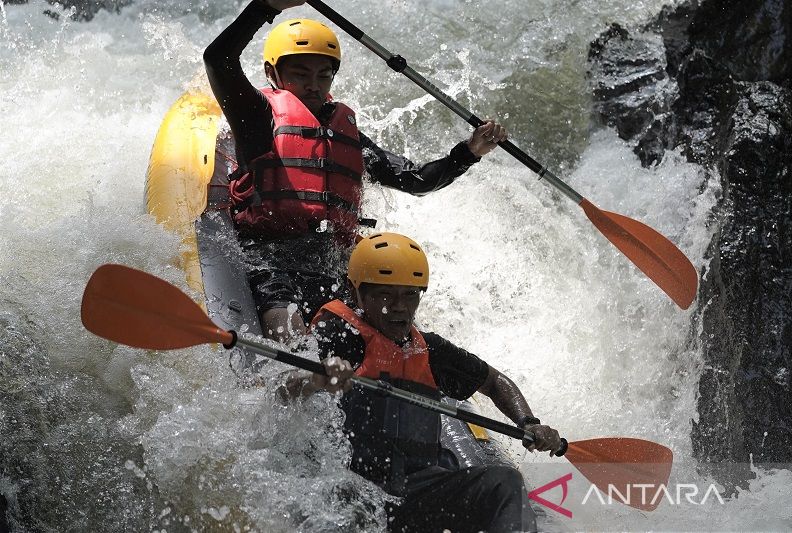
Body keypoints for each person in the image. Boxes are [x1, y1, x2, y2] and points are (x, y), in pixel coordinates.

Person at [203, 0, 508, 344]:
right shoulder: (256, 117)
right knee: (283, 319)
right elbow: (218, 60)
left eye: (323, 75)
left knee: (374, 334)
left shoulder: (346, 134)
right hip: (271, 260)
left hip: (332, 267)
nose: (313, 85)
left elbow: (416, 181)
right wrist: (264, 7)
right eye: (300, 74)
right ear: (273, 74)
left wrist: (469, 152)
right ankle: (296, 374)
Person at [278, 232, 561, 533]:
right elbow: (283, 389)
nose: (400, 306)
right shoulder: (339, 333)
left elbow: (494, 382)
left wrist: (528, 422)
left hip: (419, 491)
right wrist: (317, 378)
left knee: (505, 482)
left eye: (410, 294)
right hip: (353, 488)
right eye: (386, 294)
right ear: (356, 292)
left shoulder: (430, 350)